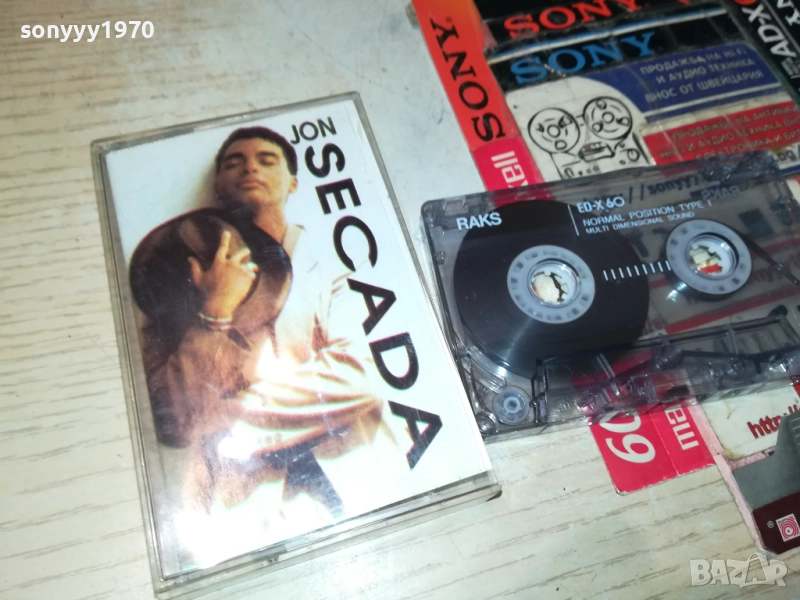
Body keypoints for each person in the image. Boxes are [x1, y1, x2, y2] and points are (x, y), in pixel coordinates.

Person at [136, 127, 384, 530]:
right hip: (238, 504)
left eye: (267, 160)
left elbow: (361, 376)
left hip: (352, 473)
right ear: (218, 187)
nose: (250, 168)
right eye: (234, 163)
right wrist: (215, 309)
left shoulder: (333, 261)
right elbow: (173, 419)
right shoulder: (173, 271)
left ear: (293, 182)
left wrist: (224, 418)